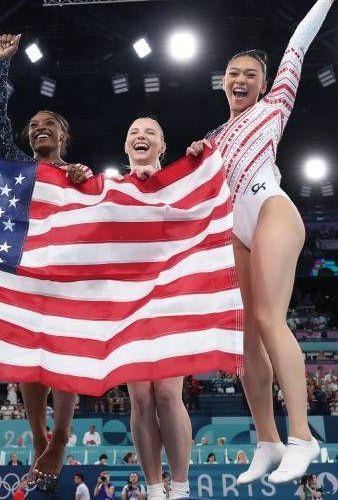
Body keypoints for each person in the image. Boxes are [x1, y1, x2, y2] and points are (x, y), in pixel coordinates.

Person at [186, 0, 338, 486]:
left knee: (269, 319)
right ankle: (266, 442)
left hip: (272, 209)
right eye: (233, 74)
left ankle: (302, 436)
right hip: (237, 231)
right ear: (222, 83)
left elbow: (297, 47)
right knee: (245, 338)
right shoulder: (213, 138)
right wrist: (194, 159)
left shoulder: (274, 108)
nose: (241, 79)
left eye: (250, 74)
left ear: (264, 86)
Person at [0, 33, 91, 484]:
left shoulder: (80, 174)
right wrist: (1, 66)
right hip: (23, 264)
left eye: (47, 123)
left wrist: (85, 182)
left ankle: (62, 435)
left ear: (64, 135)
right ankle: (37, 437)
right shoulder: (16, 164)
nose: (38, 128)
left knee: (65, 354)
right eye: (33, 125)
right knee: (29, 357)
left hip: (67, 270)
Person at [118, 118, 193, 500]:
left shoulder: (183, 183)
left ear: (163, 146)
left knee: (166, 394)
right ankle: (153, 488)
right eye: (134, 132)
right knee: (141, 398)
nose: (141, 136)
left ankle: (179, 487)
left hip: (171, 296)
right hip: (129, 302)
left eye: (149, 132)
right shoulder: (111, 188)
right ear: (126, 146)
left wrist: (199, 163)